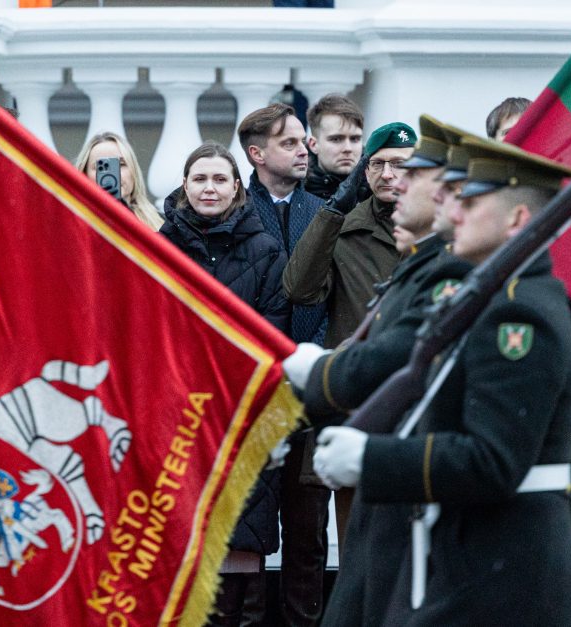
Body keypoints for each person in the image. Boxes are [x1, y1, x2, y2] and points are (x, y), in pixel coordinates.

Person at [311, 136, 571, 625]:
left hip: (508, 573)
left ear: (518, 221)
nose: (453, 215)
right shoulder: (491, 300)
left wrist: (371, 458)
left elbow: (492, 459)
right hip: (471, 557)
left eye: (472, 203)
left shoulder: (518, 316)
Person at [160, 140, 290, 625]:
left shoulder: (265, 248)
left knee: (244, 536)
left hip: (242, 411)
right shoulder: (161, 245)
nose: (209, 188)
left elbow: (274, 328)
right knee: (183, 540)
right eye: (199, 179)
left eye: (219, 179)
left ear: (236, 187)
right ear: (185, 186)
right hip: (178, 413)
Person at [237, 101, 329, 626]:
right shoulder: (235, 209)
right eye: (290, 143)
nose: (304, 150)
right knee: (247, 532)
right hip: (252, 396)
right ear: (257, 153)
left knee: (307, 533)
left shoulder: (323, 210)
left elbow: (329, 300)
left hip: (311, 394)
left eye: (303, 141)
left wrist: (311, 371)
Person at [284, 120, 417, 349]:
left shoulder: (440, 226)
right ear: (364, 172)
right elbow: (299, 291)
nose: (386, 174)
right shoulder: (343, 226)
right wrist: (332, 211)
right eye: (377, 164)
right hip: (355, 369)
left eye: (398, 164)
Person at [75, 131, 163, 230]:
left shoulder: (162, 224)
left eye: (121, 164)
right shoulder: (74, 225)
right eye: (101, 167)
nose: (113, 173)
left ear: (133, 171)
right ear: (84, 175)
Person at [304, 93, 367, 201]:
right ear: (314, 145)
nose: (348, 148)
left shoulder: (378, 191)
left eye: (355, 139)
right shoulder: (296, 193)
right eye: (336, 139)